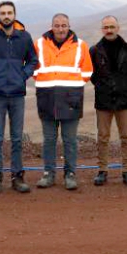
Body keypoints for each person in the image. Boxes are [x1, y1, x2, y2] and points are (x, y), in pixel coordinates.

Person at [0, 1, 37, 194]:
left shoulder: (25, 37)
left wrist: (23, 74)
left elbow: (33, 60)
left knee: (17, 138)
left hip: (17, 94)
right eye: (3, 13)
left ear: (14, 14)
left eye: (9, 13)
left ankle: (17, 177)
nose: (6, 16)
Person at [33, 13, 93, 190]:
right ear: (51, 26)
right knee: (49, 139)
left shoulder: (81, 45)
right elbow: (32, 67)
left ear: (69, 26)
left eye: (64, 25)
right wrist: (46, 82)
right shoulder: (39, 44)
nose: (60, 29)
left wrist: (71, 86)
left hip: (71, 99)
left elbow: (87, 72)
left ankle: (70, 174)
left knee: (70, 139)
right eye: (57, 25)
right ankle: (48, 174)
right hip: (47, 97)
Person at [89, 16, 127, 187]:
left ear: (118, 28)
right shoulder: (95, 50)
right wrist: (103, 86)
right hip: (103, 101)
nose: (109, 30)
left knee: (126, 136)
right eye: (106, 27)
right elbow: (92, 74)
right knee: (103, 137)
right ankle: (102, 171)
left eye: (112, 26)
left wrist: (125, 86)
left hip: (124, 100)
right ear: (102, 29)